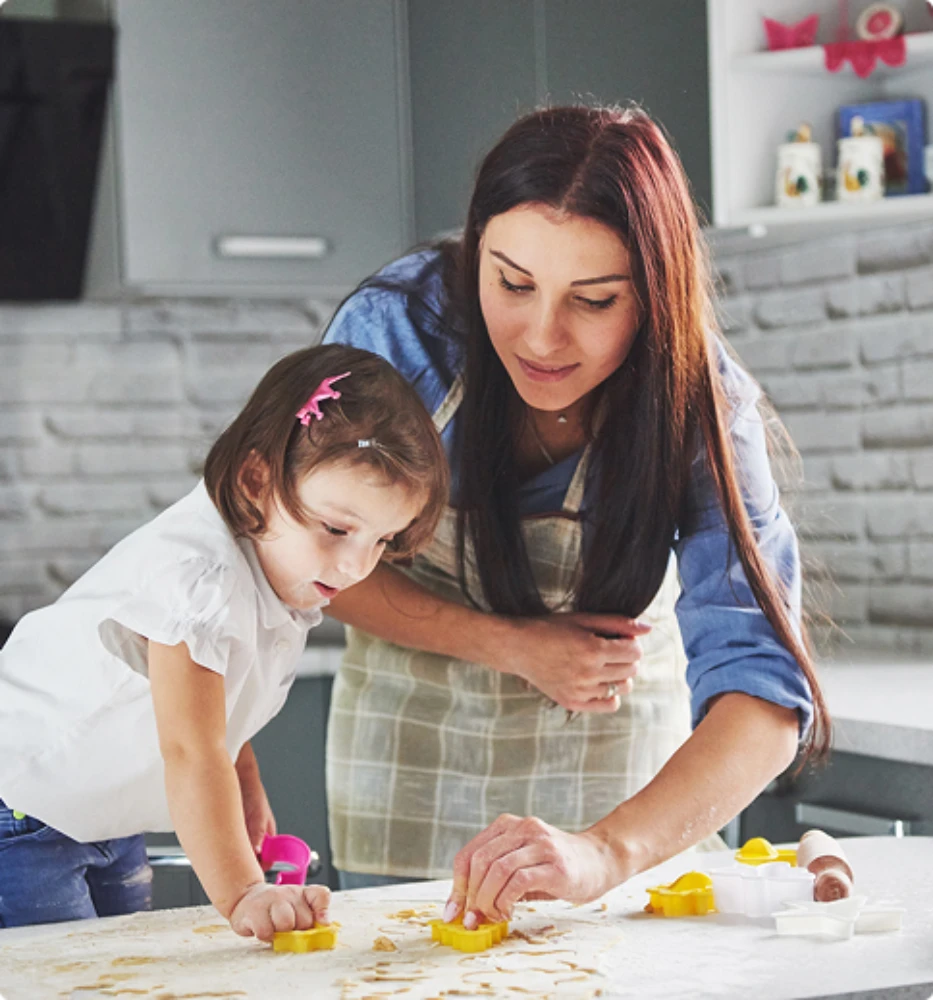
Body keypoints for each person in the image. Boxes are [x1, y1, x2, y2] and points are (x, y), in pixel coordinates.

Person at [320, 104, 830, 920]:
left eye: (592, 301)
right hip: (409, 751)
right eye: (512, 284)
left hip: (625, 774)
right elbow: (303, 556)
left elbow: (763, 696)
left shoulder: (703, 405)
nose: (541, 338)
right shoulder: (401, 334)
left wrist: (606, 852)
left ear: (655, 297)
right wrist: (512, 644)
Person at [0, 344, 448, 937]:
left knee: (114, 965)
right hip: (23, 806)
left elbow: (215, 710)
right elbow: (191, 749)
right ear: (256, 480)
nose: (355, 565)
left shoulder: (273, 569)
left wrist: (245, 790)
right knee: (60, 974)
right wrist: (244, 894)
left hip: (97, 813)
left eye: (382, 540)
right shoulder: (199, 581)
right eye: (336, 528)